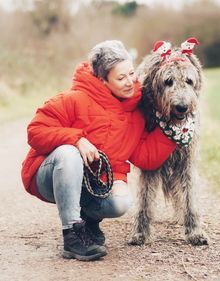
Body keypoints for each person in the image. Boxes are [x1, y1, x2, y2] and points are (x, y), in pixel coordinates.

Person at [21, 40, 177, 261]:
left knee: (121, 202)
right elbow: (35, 131)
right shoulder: (73, 99)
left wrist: (171, 132)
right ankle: (72, 235)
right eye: (121, 78)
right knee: (69, 153)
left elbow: (145, 157)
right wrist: (76, 139)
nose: (130, 82)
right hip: (50, 176)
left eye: (131, 74)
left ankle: (88, 220)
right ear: (103, 81)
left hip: (94, 183)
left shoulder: (137, 111)